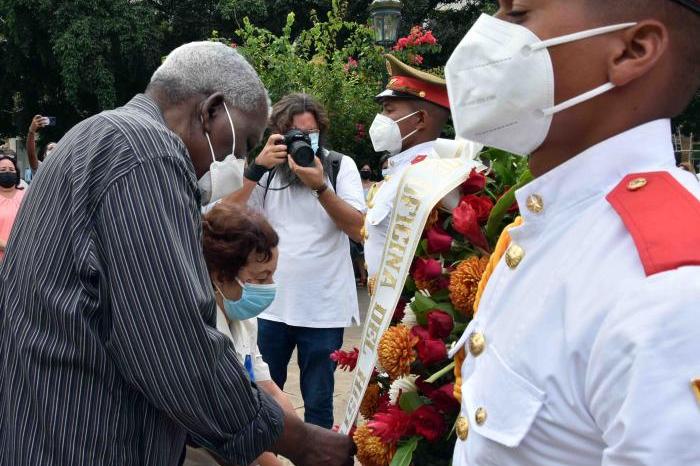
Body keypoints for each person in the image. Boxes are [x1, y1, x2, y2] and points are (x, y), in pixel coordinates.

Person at [0, 41, 354, 466]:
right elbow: (172, 344)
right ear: (211, 110)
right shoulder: (147, 152)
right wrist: (298, 441)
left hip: (48, 426)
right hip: (86, 438)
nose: (234, 159)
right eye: (239, 142)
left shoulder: (96, 134)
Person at [444, 0, 700, 464]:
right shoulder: (559, 225)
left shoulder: (667, 284)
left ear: (632, 50)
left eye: (518, 14)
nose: (487, 35)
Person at [222, 92, 366, 429]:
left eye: (310, 134)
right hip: (271, 307)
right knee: (260, 399)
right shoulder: (267, 174)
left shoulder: (339, 167)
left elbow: (360, 230)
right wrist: (256, 168)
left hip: (324, 309)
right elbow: (226, 216)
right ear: (279, 137)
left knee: (318, 404)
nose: (304, 142)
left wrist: (321, 187)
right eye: (295, 135)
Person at [185, 203, 294, 466]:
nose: (269, 287)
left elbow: (269, 388)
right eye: (260, 278)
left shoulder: (243, 318)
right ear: (221, 277)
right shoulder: (199, 330)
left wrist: (307, 438)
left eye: (272, 276)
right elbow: (232, 426)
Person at [363, 54, 451, 292]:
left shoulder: (431, 172)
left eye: (389, 111)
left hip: (409, 312)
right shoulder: (401, 170)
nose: (380, 119)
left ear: (420, 119)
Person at [0, 155, 26, 259]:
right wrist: (10, 248)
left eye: (11, 169)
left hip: (24, 259)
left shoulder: (27, 195)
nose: (7, 172)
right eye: (2, 170)